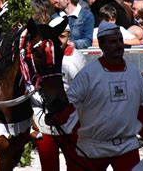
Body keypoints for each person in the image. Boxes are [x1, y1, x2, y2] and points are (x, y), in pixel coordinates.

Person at [50, 21, 143, 170]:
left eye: (120, 40)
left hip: (126, 146)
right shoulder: (88, 74)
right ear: (101, 45)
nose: (119, 45)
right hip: (93, 147)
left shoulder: (134, 72)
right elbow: (69, 105)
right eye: (113, 42)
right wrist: (56, 115)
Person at [31, 16, 87, 171]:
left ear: (68, 35)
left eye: (62, 36)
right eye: (56, 36)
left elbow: (82, 91)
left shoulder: (77, 58)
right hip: (45, 121)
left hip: (70, 120)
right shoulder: (39, 57)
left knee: (76, 166)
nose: (59, 40)